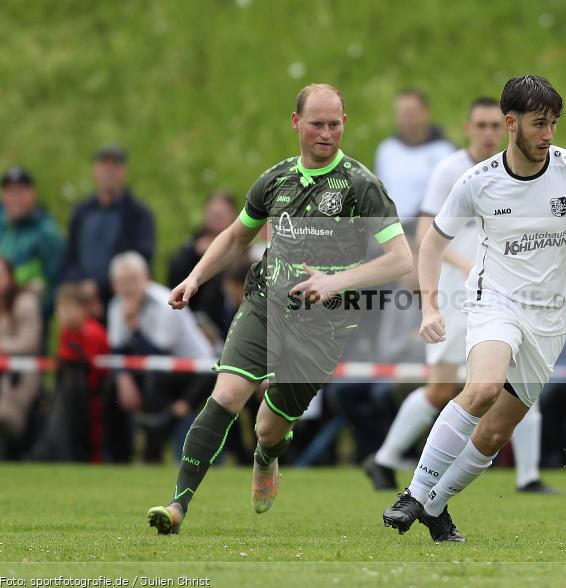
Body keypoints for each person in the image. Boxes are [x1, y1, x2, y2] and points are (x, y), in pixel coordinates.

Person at [382, 75, 566, 542]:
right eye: (539, 124)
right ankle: (416, 491)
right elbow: (431, 244)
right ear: (512, 123)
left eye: (553, 124)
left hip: (551, 319)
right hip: (495, 302)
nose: (548, 135)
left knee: (491, 435)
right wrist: (429, 308)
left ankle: (435, 505)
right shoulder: (477, 181)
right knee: (483, 385)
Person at [147, 83, 413, 534]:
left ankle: (267, 457)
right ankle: (177, 506)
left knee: (269, 428)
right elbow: (235, 237)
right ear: (296, 123)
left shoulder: (362, 187)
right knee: (228, 395)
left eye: (335, 124)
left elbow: (400, 259)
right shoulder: (275, 180)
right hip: (265, 304)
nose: (326, 133)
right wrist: (194, 277)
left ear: (344, 124)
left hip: (324, 328)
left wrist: (337, 282)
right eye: (316, 124)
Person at [364, 97, 557, 494]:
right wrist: (466, 268)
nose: (488, 133)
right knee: (442, 388)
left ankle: (529, 476)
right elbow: (425, 235)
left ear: (506, 127)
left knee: (518, 382)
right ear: (468, 128)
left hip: (502, 297)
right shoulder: (450, 170)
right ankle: (384, 459)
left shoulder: (520, 171)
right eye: (480, 125)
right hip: (458, 295)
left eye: (493, 125)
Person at [104, 252, 216, 463]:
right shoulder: (115, 306)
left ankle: (152, 455)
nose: (129, 288)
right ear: (114, 285)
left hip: (198, 370)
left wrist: (133, 324)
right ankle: (117, 458)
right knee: (112, 386)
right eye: (123, 282)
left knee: (153, 381)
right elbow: (117, 351)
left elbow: (157, 354)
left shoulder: (165, 301)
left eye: (133, 280)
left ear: (146, 279)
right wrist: (122, 378)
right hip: (160, 368)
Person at [63, 145, 156, 311]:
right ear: (95, 170)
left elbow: (141, 258)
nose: (109, 171)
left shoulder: (138, 214)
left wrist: (101, 286)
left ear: (123, 170)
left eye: (115, 165)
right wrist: (80, 285)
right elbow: (69, 256)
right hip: (82, 299)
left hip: (122, 298)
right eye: (104, 165)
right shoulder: (82, 212)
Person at [32, 283, 109, 462]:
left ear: (83, 309)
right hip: (71, 397)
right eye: (59, 307)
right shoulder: (66, 332)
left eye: (67, 307)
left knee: (93, 437)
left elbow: (91, 368)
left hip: (93, 397)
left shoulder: (92, 332)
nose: (61, 313)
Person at [0, 167, 64, 317]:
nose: (15, 198)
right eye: (10, 191)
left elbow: (56, 278)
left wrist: (40, 312)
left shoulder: (45, 232)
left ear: (32, 193)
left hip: (27, 314)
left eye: (20, 191)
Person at [0, 256, 42, 459]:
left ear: (10, 278)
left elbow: (30, 342)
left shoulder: (24, 302)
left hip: (19, 371)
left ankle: (4, 453)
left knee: (5, 413)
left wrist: (0, 346)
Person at [374, 89, 456, 221]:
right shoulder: (386, 150)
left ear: (425, 112)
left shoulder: (445, 152)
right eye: (400, 114)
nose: (405, 119)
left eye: (410, 113)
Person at [168, 190, 239, 337]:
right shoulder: (191, 245)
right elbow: (174, 278)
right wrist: (194, 254)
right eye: (212, 214)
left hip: (229, 323)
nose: (215, 219)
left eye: (220, 215)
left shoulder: (243, 248)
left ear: (233, 215)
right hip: (193, 322)